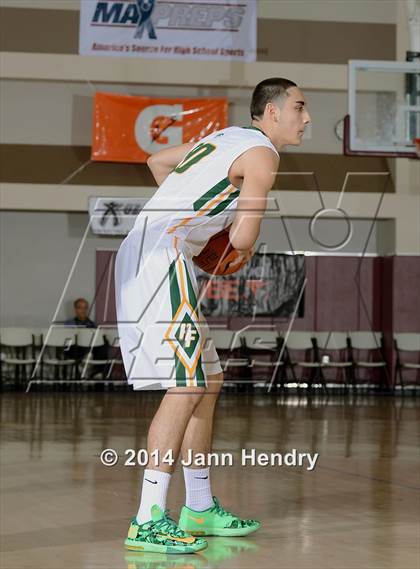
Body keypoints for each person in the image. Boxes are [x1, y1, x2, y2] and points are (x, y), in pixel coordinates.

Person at [114, 77, 311, 554]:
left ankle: (198, 505)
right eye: (299, 108)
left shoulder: (225, 138)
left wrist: (194, 223)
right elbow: (242, 242)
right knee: (186, 386)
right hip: (162, 258)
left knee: (209, 378)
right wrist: (217, 237)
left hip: (159, 251)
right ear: (270, 112)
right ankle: (148, 518)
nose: (306, 119)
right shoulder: (263, 155)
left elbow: (156, 161)